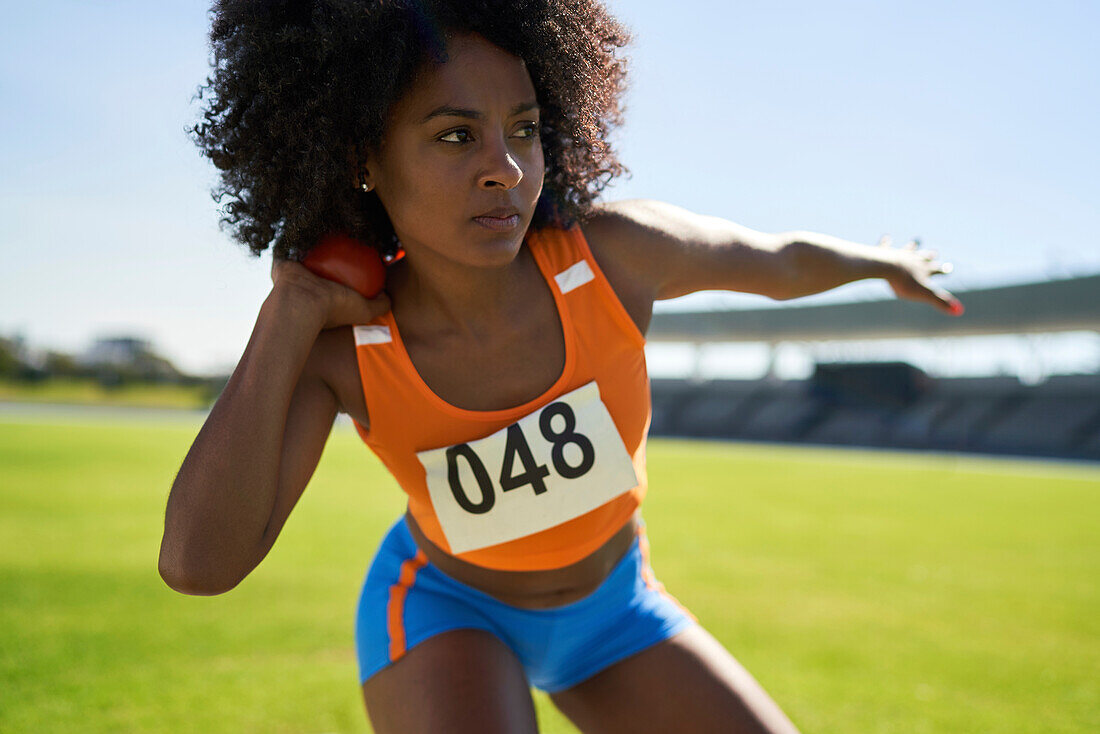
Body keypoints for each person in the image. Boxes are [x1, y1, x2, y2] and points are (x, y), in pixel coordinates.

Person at [158, 2, 960, 732]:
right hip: (445, 614)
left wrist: (881, 261)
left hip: (618, 612)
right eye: (454, 134)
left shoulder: (616, 256)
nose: (504, 168)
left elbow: (779, 262)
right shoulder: (347, 350)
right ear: (365, 158)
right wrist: (287, 314)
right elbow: (199, 565)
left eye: (525, 128)